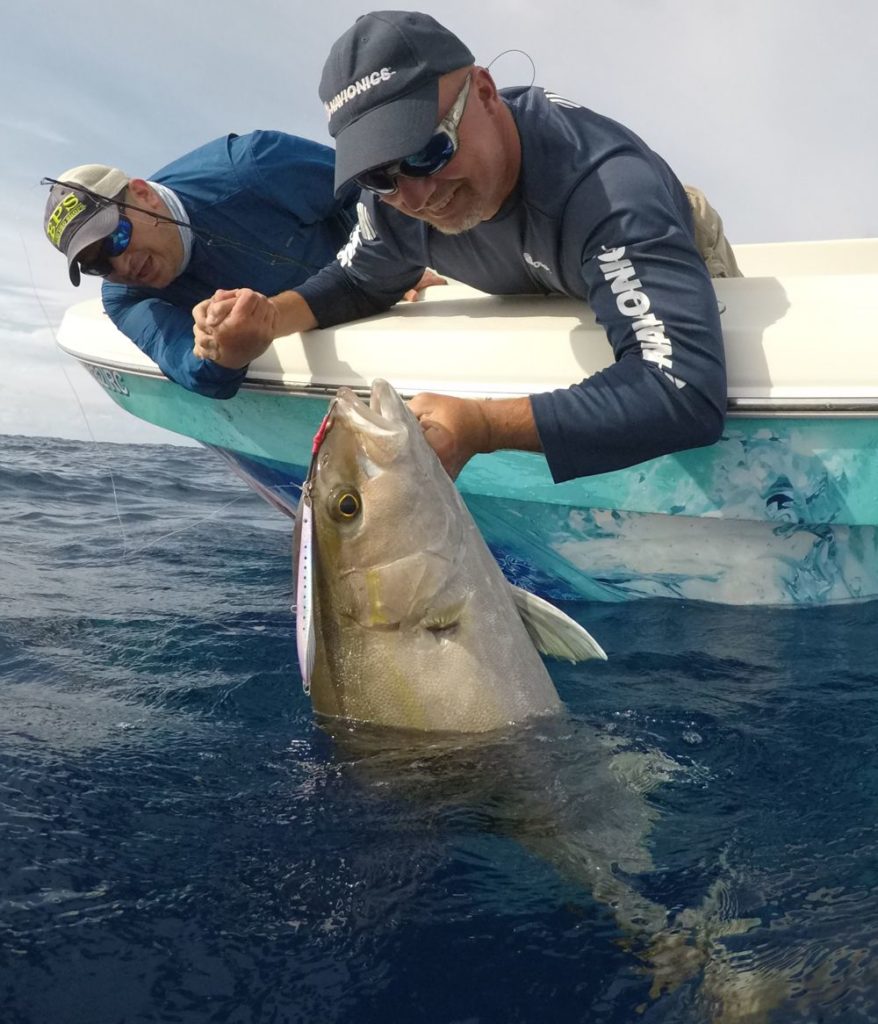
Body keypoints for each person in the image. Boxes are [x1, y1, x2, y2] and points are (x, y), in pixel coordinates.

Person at [193, 12, 740, 482]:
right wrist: (267, 319)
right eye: (378, 174)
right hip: (540, 267)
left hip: (647, 240)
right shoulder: (394, 205)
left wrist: (483, 425)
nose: (414, 194)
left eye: (428, 152)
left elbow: (682, 388)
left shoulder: (609, 190)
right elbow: (358, 283)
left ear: (484, 92)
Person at [43, 131, 443, 398]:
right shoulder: (124, 298)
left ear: (143, 194)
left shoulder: (253, 164)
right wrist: (225, 354)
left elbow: (375, 189)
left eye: (117, 236)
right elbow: (189, 365)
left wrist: (387, 261)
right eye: (98, 265)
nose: (121, 265)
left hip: (383, 294)